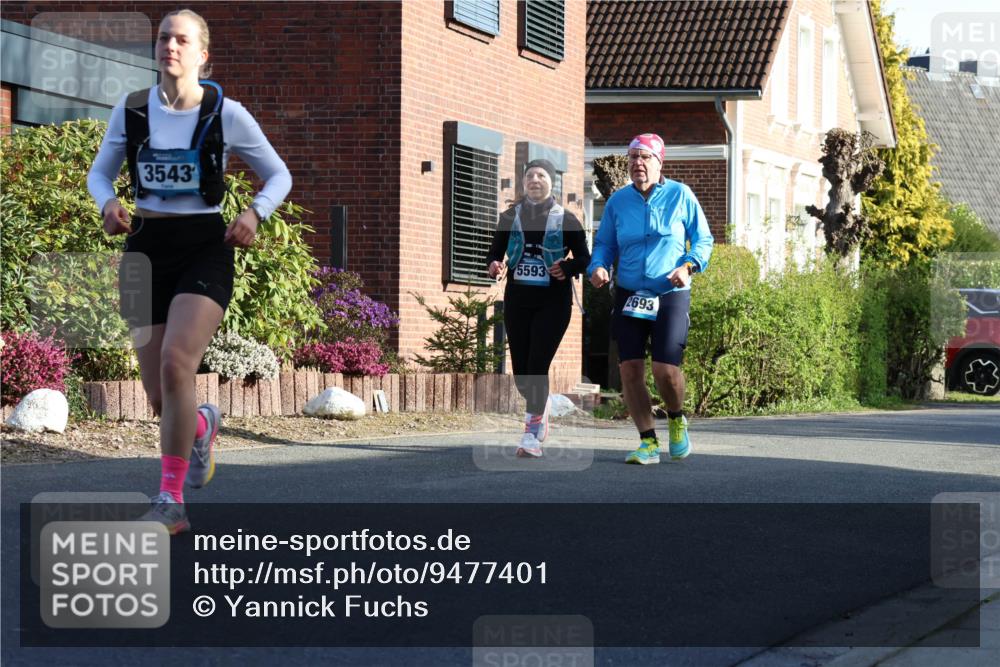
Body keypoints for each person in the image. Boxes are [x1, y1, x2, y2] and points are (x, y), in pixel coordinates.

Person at [87, 9, 292, 532]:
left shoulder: (227, 114)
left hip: (204, 245)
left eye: (181, 40)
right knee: (160, 394)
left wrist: (253, 213)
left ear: (203, 54)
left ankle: (170, 501)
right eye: (163, 38)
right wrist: (109, 204)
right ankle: (201, 426)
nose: (169, 46)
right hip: (142, 248)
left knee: (179, 361)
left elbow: (278, 176)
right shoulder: (131, 110)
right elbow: (99, 177)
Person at [587, 133, 713, 465]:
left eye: (645, 158)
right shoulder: (617, 202)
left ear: (660, 163)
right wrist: (598, 265)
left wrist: (689, 266)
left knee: (664, 370)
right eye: (632, 158)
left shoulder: (680, 195)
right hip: (630, 293)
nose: (637, 164)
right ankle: (647, 441)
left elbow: (703, 240)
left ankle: (675, 417)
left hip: (670, 291)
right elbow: (604, 244)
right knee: (629, 369)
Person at [486, 159, 591, 457]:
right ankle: (540, 404)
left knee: (537, 365)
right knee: (521, 374)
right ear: (523, 183)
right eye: (530, 175)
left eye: (541, 175)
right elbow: (494, 254)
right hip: (518, 300)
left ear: (551, 182)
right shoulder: (509, 217)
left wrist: (567, 267)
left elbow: (585, 258)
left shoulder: (566, 219)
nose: (535, 179)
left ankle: (531, 434)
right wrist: (493, 265)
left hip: (553, 303)